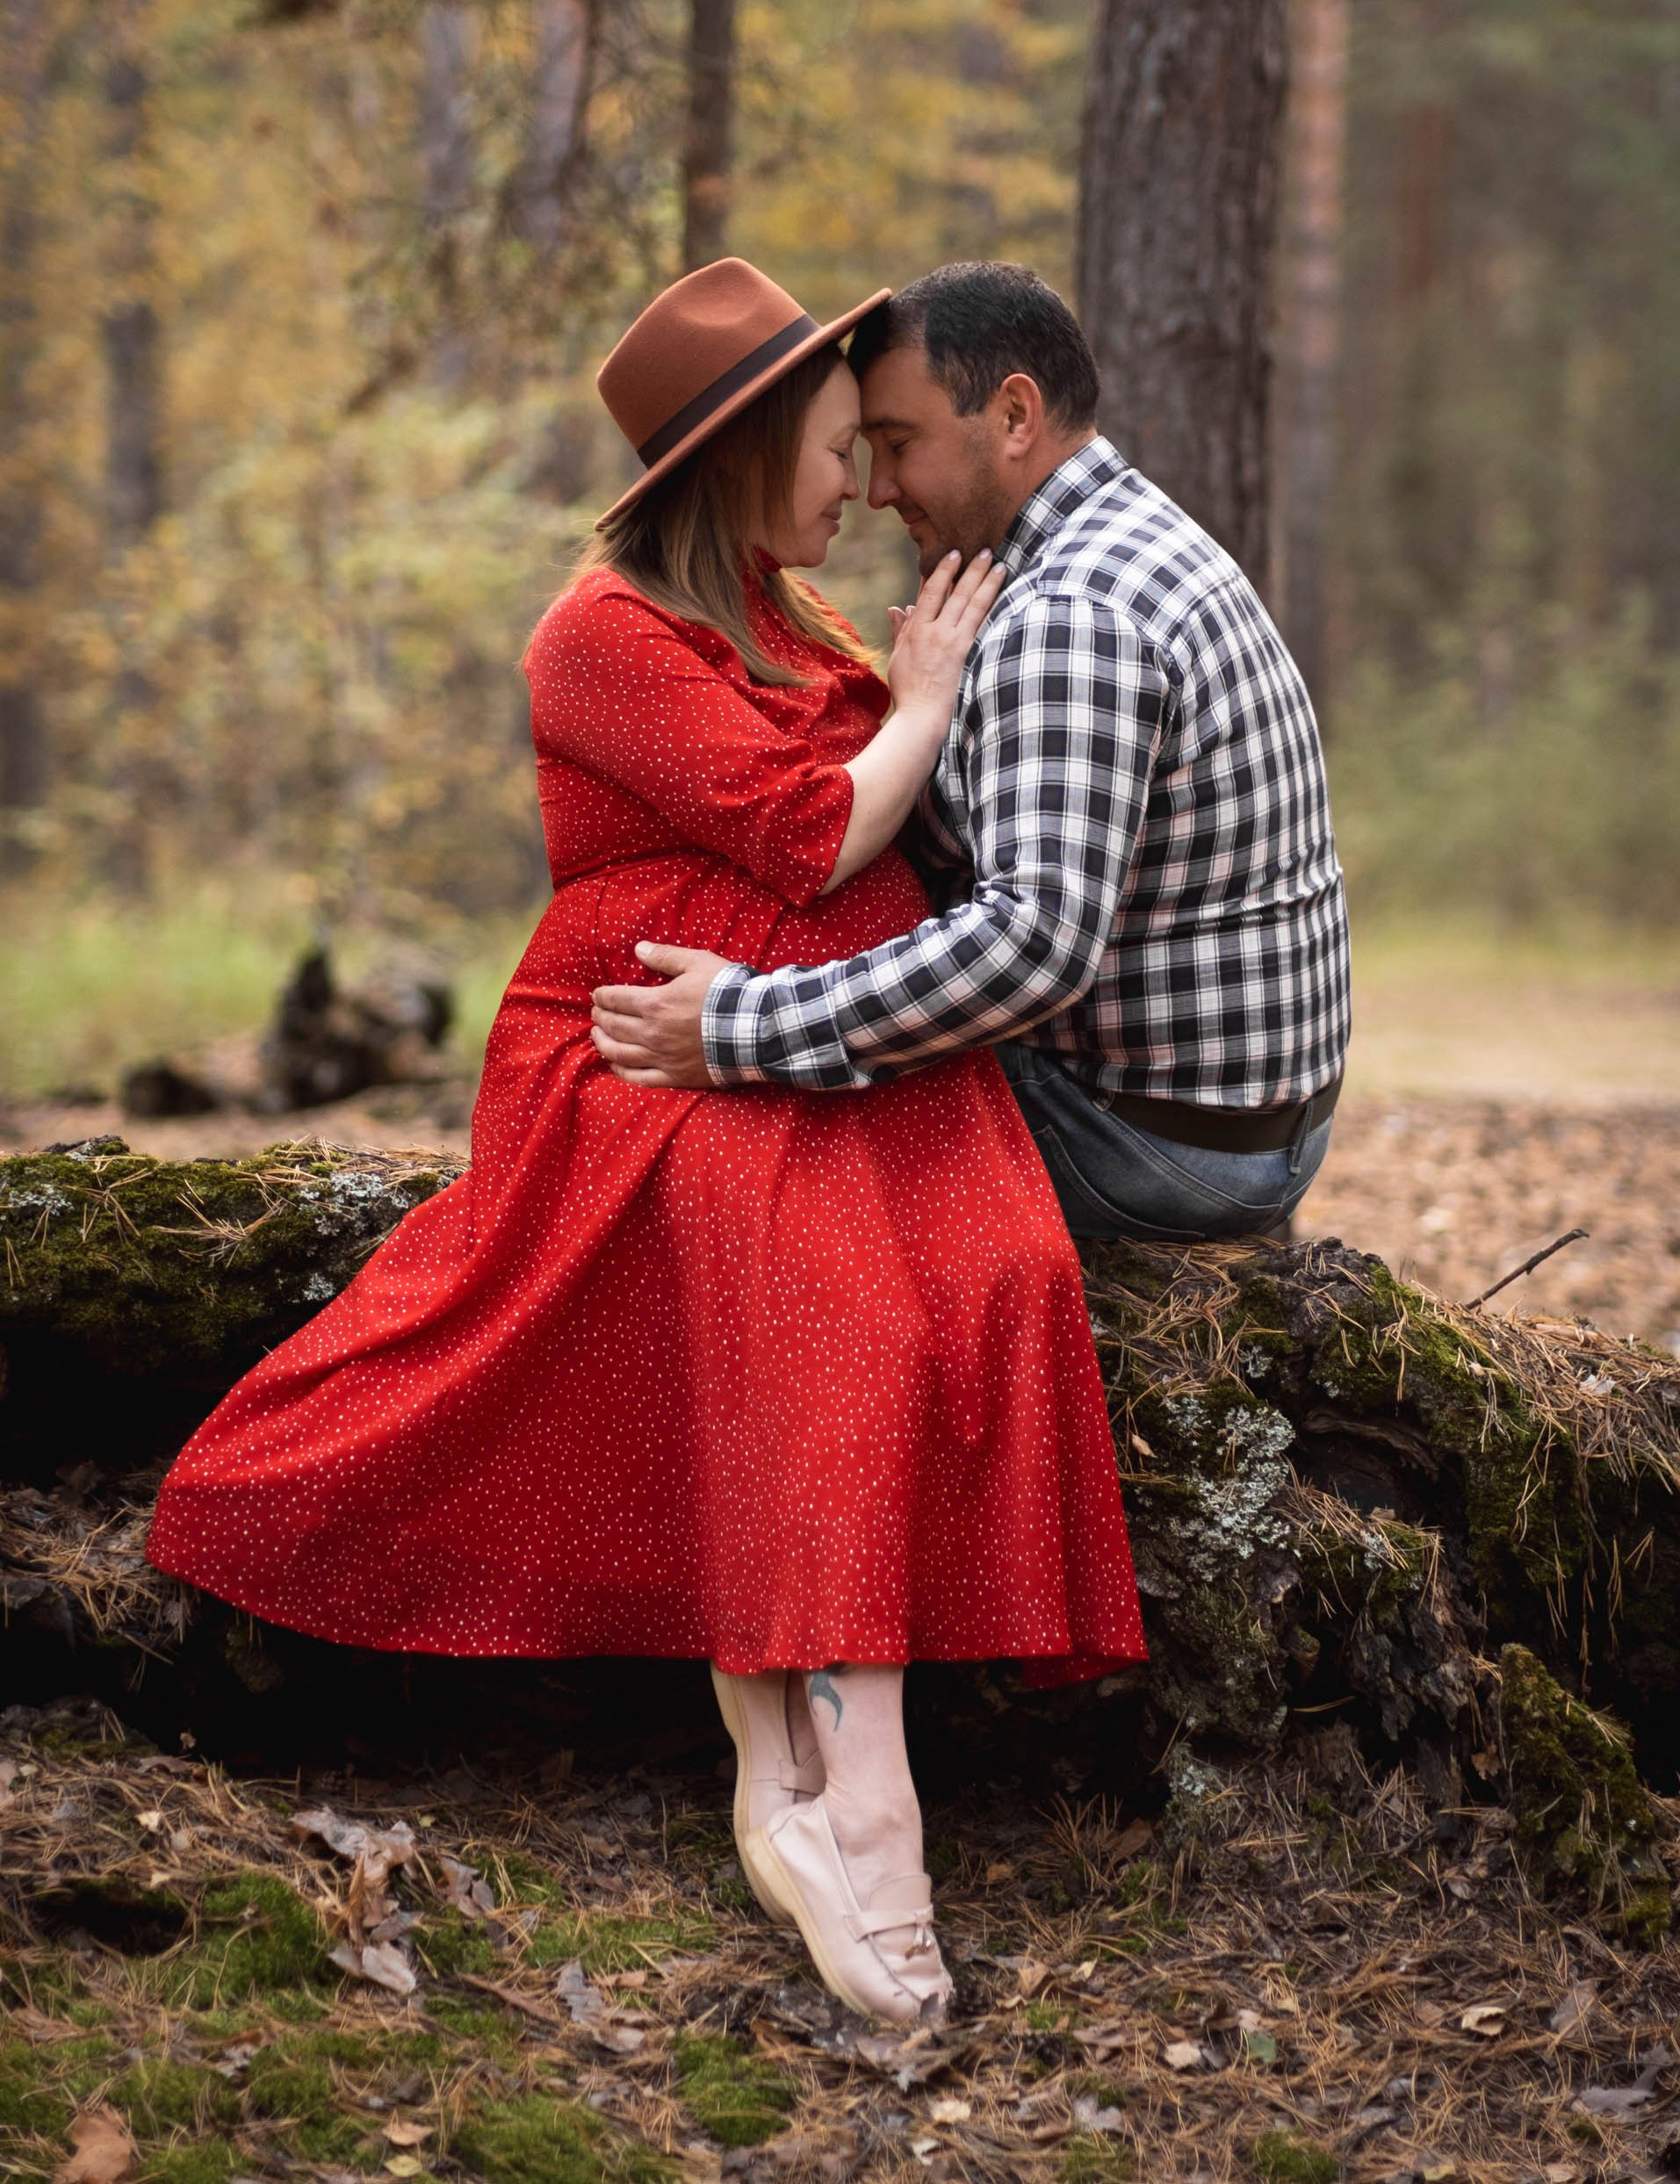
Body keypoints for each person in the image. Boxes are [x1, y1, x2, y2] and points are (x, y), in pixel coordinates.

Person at [146, 256, 1146, 2029]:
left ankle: (794, 1758)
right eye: (835, 449)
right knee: (826, 1303)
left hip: (813, 1039)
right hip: (652, 1052)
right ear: (745, 453)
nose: (862, 487)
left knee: (996, 1266)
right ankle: (853, 1794)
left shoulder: (787, 613)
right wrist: (923, 707)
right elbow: (810, 833)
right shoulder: (599, 634)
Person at [590, 261, 1351, 1245]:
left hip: (1149, 1143)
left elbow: (1031, 946)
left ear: (1014, 416)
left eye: (898, 445)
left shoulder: (1069, 613)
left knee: (710, 1149)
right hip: (1230, 1126)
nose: (877, 490)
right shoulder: (1121, 540)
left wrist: (738, 1027)